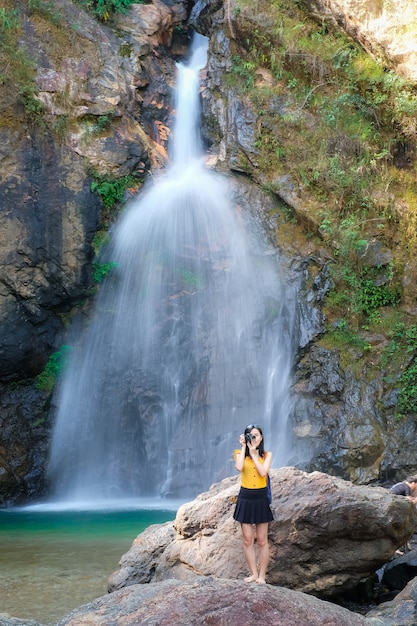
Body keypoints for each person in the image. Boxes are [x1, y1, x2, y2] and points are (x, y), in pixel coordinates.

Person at [233, 423, 273, 584]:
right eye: (251, 435)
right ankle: (253, 574)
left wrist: (255, 454)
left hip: (261, 497)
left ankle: (262, 576)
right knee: (247, 540)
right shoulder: (238, 453)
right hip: (245, 497)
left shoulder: (267, 455)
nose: (253, 438)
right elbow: (239, 467)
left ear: (261, 438)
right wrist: (244, 448)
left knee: (262, 540)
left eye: (256, 435)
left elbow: (263, 472)